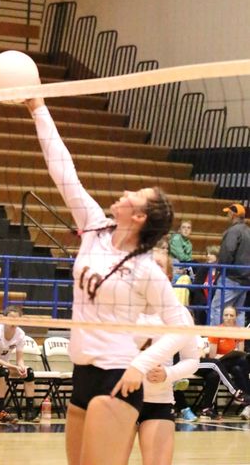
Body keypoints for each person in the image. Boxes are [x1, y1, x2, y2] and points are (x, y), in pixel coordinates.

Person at [26, 97, 192, 465]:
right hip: (82, 371)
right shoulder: (95, 227)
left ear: (140, 216)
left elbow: (183, 327)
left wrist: (139, 365)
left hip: (118, 375)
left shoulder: (147, 268)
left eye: (138, 195)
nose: (127, 193)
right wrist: (38, 107)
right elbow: (62, 170)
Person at [137, 250, 200, 465]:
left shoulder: (180, 315)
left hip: (158, 401)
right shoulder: (124, 308)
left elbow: (193, 360)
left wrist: (168, 374)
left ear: (168, 275)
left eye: (160, 265)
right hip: (120, 401)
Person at [0, 305, 39, 423]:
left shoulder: (20, 334)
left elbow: (19, 359)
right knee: (2, 371)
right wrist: (15, 367)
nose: (13, 322)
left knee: (29, 372)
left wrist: (21, 367)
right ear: (4, 318)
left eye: (17, 319)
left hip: (6, 365)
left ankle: (30, 411)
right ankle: (0, 411)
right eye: (11, 318)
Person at [210, 203, 250, 326]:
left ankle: (215, 340)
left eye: (228, 213)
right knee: (239, 311)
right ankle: (238, 343)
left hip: (231, 278)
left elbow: (227, 253)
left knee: (217, 308)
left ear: (232, 215)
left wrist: (220, 271)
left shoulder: (233, 231)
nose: (227, 215)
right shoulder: (248, 231)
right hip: (246, 279)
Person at [189, 245, 219, 325]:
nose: (208, 256)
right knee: (200, 305)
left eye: (211, 254)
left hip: (215, 299)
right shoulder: (203, 268)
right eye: (207, 254)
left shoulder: (221, 270)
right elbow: (196, 286)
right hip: (202, 299)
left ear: (217, 255)